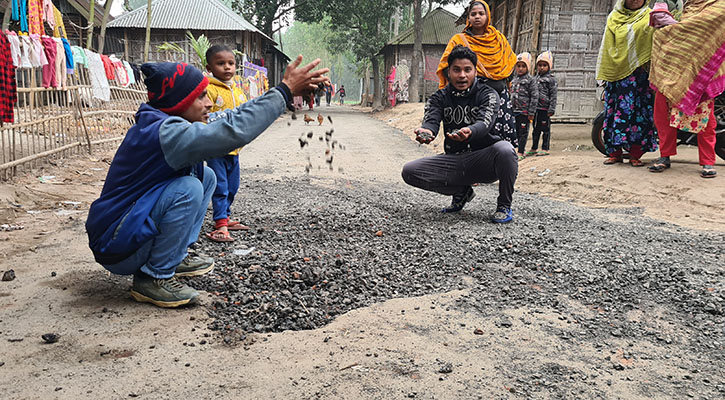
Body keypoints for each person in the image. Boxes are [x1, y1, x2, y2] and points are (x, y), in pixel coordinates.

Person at [85, 57, 328, 308]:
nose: (209, 103)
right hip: (116, 246)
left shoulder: (166, 123)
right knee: (187, 189)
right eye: (200, 96)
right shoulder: (167, 133)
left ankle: (173, 257)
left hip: (125, 233)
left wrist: (282, 94)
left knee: (206, 176)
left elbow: (230, 118)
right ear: (178, 100)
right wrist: (284, 90)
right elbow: (231, 132)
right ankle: (152, 277)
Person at [402, 46, 518, 223]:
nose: (462, 75)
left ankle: (504, 205)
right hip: (456, 160)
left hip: (485, 161)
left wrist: (470, 131)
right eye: (456, 70)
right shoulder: (439, 97)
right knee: (409, 171)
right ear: (448, 72)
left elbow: (485, 123)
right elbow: (431, 120)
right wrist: (427, 131)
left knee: (506, 150)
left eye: (467, 70)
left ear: (475, 71)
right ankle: (461, 192)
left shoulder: (488, 94)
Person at [648, 0, 724, 178]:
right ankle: (664, 156)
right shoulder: (682, 6)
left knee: (706, 121)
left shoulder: (718, 5)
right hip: (671, 69)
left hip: (701, 73)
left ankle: (707, 162)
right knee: (662, 116)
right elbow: (663, 27)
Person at [436, 0, 518, 147]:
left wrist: (506, 79)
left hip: (501, 97)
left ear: (488, 16)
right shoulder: (459, 40)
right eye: (473, 14)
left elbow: (510, 62)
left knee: (500, 143)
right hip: (472, 99)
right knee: (474, 136)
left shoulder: (498, 39)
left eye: (481, 13)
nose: (477, 17)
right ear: (468, 18)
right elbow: (445, 65)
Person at [596, 0, 658, 167]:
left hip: (639, 78)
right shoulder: (613, 18)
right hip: (616, 77)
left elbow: (654, 40)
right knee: (615, 112)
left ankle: (635, 155)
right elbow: (608, 46)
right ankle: (614, 154)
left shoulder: (649, 17)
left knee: (639, 114)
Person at [204, 45, 249, 243]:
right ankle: (220, 223)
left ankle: (226, 216)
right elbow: (204, 116)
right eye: (220, 63)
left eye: (231, 63)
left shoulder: (239, 92)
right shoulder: (209, 89)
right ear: (210, 67)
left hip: (235, 149)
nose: (227, 67)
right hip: (216, 148)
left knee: (233, 185)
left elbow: (246, 114)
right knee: (220, 186)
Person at [527, 51, 558, 156]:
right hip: (536, 108)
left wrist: (551, 109)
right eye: (540, 65)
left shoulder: (551, 80)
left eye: (544, 65)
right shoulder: (534, 79)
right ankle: (534, 147)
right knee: (536, 129)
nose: (541, 67)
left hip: (545, 109)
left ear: (549, 66)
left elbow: (553, 95)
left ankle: (545, 148)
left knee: (545, 129)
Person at [510, 52, 538, 160]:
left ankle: (521, 152)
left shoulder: (531, 81)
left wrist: (531, 113)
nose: (520, 68)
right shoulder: (514, 80)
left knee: (523, 132)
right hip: (514, 111)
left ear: (528, 67)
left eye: (523, 66)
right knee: (514, 131)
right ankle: (514, 150)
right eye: (518, 66)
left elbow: (534, 97)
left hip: (524, 112)